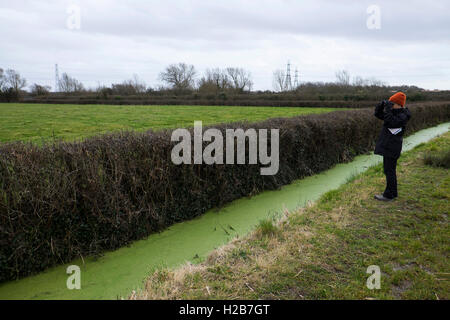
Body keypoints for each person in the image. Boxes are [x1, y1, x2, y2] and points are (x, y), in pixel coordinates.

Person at [374, 92, 411, 201]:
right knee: (388, 170)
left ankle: (389, 195)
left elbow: (390, 122)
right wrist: (381, 106)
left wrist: (389, 109)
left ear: (398, 104)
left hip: (392, 148)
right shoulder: (395, 113)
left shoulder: (403, 116)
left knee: (390, 171)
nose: (390, 105)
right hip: (389, 147)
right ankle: (392, 193)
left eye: (392, 103)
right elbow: (378, 114)